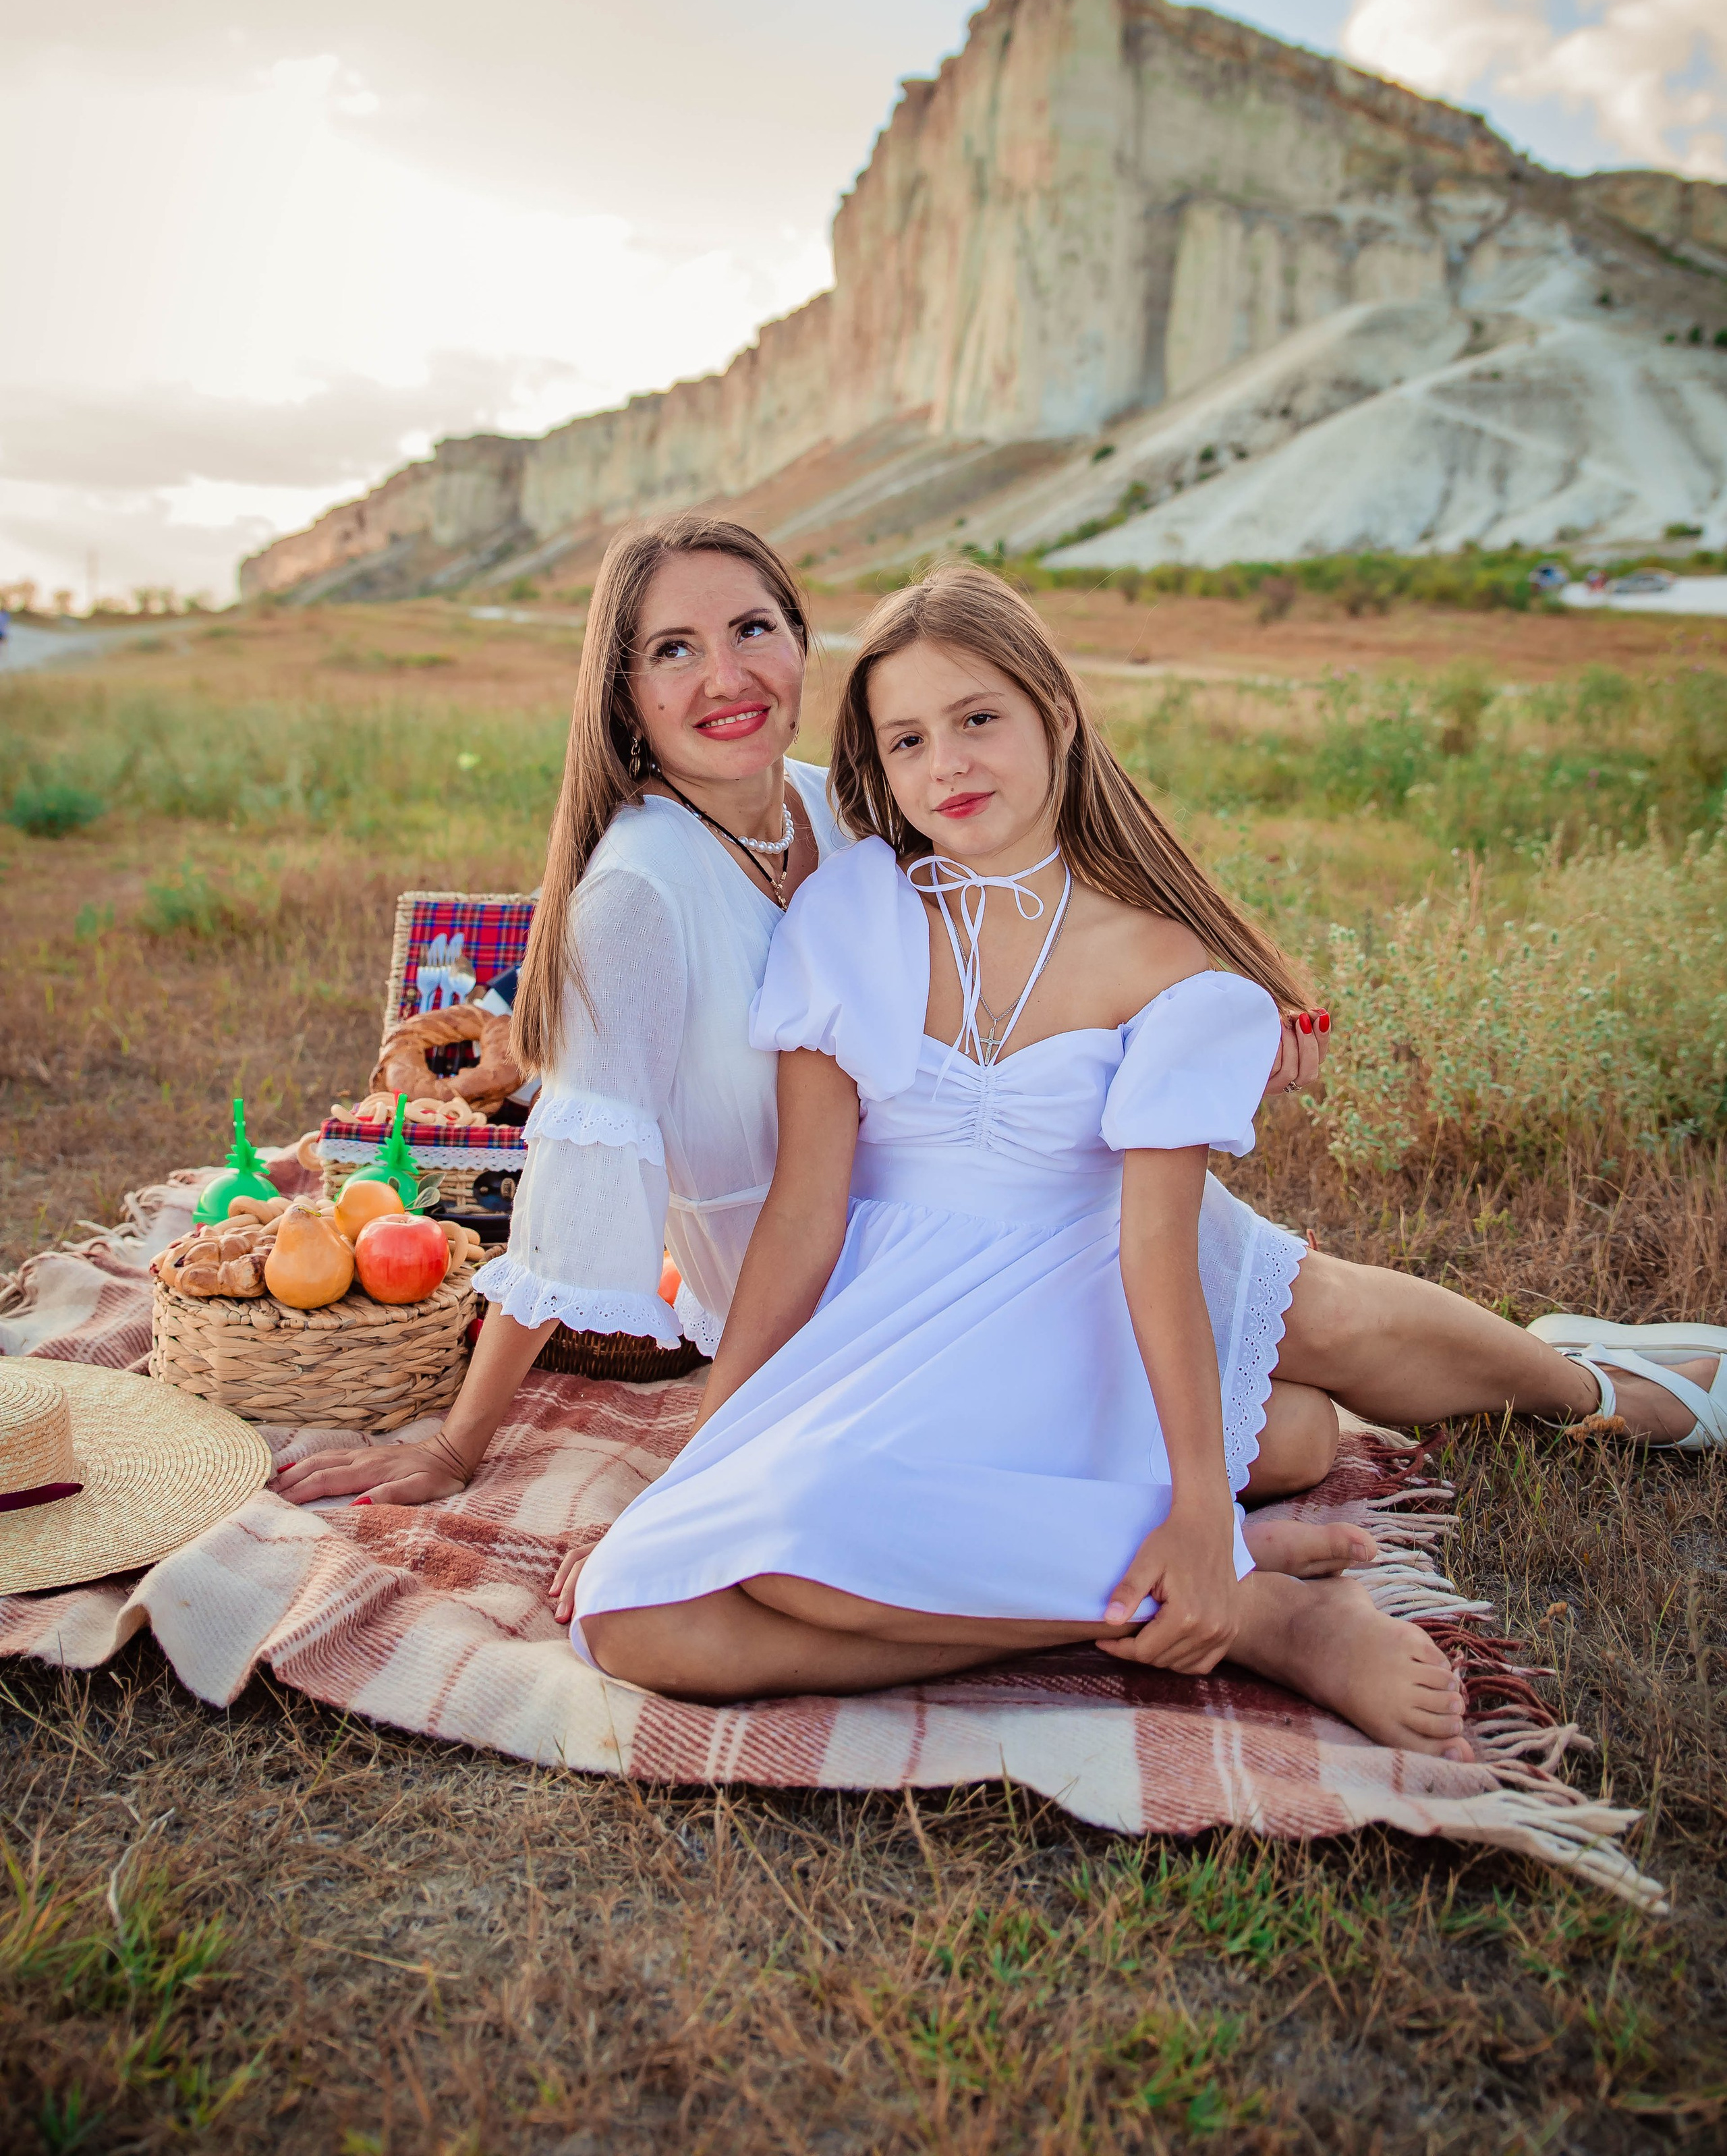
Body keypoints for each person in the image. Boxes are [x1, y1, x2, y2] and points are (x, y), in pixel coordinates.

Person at [568, 567, 1722, 1730]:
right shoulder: (850, 913)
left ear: (1056, 715)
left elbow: (1155, 1246)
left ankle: (1591, 1389)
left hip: (1084, 1301)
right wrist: (703, 1451)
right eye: (908, 739)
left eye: (980, 720)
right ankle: (1217, 1586)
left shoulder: (1162, 961)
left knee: (1333, 1329)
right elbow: (806, 1213)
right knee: (636, 1616)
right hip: (899, 1313)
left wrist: (1189, 1492)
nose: (948, 765)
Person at [275, 517, 1322, 1520]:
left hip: (987, 1225)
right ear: (624, 696)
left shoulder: (832, 806)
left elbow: (1025, 912)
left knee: (1359, 1342)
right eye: (674, 650)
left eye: (752, 630)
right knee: (1290, 1433)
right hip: (814, 1304)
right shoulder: (638, 895)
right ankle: (1237, 1554)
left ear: (802, 643)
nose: (727, 679)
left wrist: (1209, 1025)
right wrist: (460, 1444)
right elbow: (580, 1185)